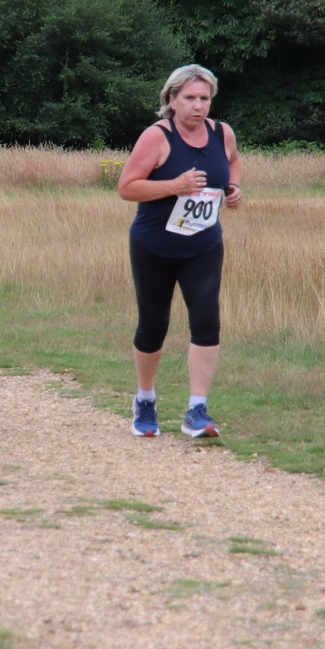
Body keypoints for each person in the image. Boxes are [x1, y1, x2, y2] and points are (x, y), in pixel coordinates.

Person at [117, 64, 243, 439]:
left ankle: (196, 410)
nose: (198, 106)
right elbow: (127, 187)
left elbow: (233, 161)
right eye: (189, 98)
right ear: (172, 100)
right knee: (153, 325)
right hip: (154, 245)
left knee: (206, 320)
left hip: (203, 244)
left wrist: (234, 188)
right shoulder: (157, 137)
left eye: (204, 98)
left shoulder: (222, 133)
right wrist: (174, 185)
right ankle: (145, 399)